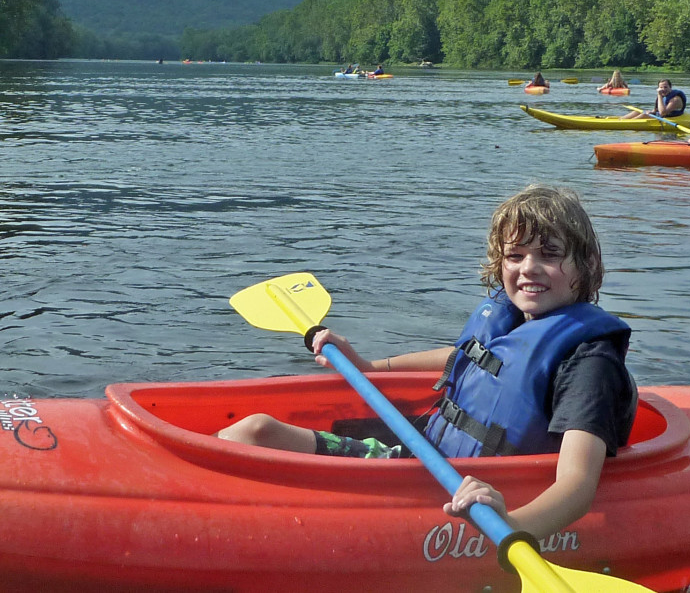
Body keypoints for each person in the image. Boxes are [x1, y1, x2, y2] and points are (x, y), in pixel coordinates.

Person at [218, 185, 637, 541]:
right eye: (515, 256)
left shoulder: (589, 364)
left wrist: (510, 525)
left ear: (584, 268)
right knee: (254, 430)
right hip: (421, 455)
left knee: (257, 432)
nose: (529, 268)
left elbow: (578, 485)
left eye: (549, 254)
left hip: (459, 492)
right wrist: (370, 367)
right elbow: (469, 358)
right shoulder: (515, 321)